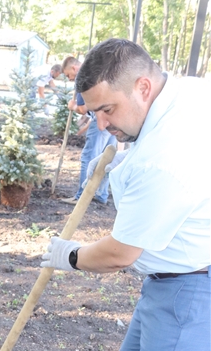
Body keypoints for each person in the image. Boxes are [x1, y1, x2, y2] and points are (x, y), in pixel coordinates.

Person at [41, 38, 210, 350]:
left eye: (107, 109)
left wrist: (72, 255)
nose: (102, 125)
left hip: (189, 292)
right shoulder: (190, 90)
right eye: (94, 113)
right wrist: (127, 159)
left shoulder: (160, 159)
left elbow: (119, 254)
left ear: (143, 87)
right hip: (169, 281)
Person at [60, 56, 116, 205]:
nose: (70, 79)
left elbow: (84, 108)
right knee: (107, 158)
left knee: (89, 157)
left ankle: (82, 196)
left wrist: (72, 106)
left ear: (73, 68)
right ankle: (101, 194)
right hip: (113, 118)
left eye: (68, 75)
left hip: (99, 120)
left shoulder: (83, 77)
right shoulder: (97, 72)